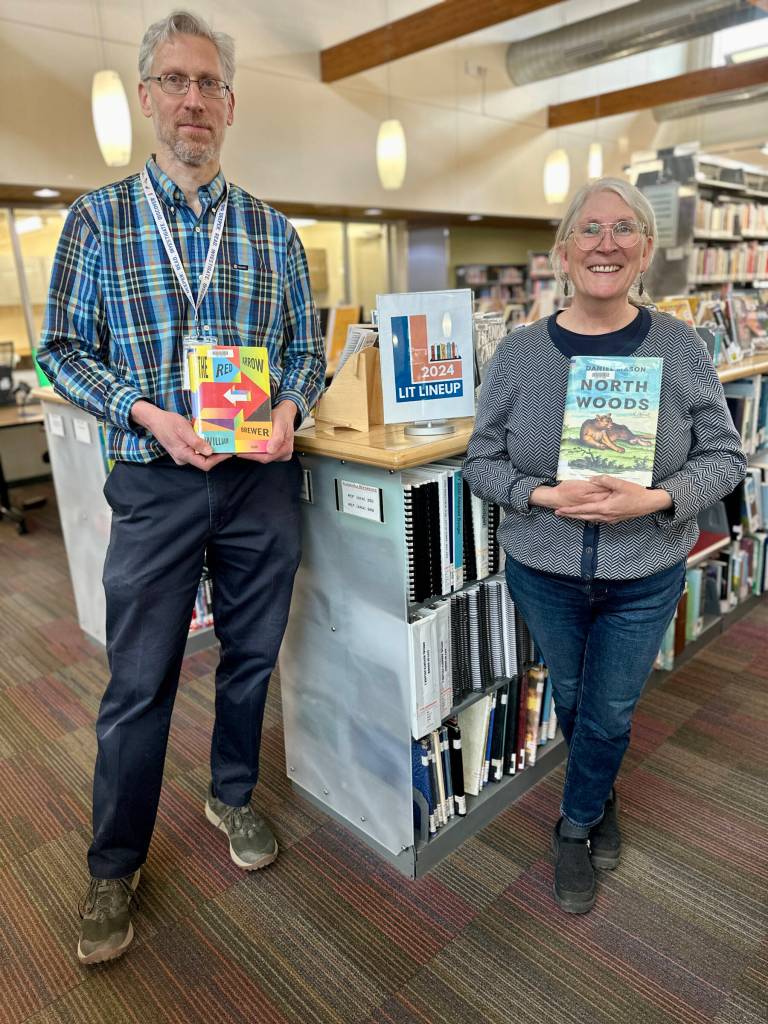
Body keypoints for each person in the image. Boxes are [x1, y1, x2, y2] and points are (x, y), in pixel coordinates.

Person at [38, 11, 325, 964]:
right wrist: (144, 413)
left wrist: (290, 409)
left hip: (256, 487)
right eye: (175, 81)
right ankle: (113, 862)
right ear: (147, 98)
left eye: (209, 83)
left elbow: (306, 353)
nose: (193, 99)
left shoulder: (274, 233)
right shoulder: (97, 221)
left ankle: (231, 794)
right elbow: (63, 352)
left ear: (231, 105)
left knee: (250, 657)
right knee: (139, 679)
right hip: (156, 485)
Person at [463, 177, 745, 915]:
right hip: (544, 568)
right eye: (590, 229)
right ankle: (602, 797)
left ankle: (575, 823)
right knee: (574, 697)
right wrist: (543, 494)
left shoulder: (679, 345)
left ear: (646, 249)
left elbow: (724, 457)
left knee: (611, 710)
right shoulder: (521, 354)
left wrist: (653, 497)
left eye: (624, 229)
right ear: (563, 250)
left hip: (644, 567)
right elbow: (481, 463)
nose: (606, 243)